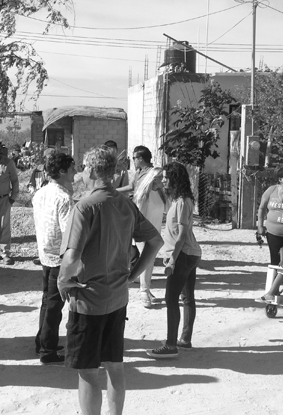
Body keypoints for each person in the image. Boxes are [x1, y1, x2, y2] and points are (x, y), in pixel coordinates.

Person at [58, 145, 164, 415]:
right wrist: (133, 275)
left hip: (88, 301)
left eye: (83, 168)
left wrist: (62, 281)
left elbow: (70, 259)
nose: (81, 172)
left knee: (88, 371)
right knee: (114, 366)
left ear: (92, 170)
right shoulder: (125, 204)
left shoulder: (84, 206)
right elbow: (155, 241)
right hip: (117, 299)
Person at [147, 162, 202, 359]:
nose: (163, 180)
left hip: (183, 255)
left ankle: (171, 345)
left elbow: (181, 235)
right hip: (189, 253)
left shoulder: (182, 202)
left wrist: (172, 260)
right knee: (187, 298)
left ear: (175, 179)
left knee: (171, 299)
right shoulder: (179, 199)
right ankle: (184, 339)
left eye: (166, 178)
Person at [32, 152, 76, 365]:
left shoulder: (40, 193)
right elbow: (68, 233)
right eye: (71, 168)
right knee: (54, 306)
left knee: (47, 302)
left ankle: (42, 341)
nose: (74, 172)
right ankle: (47, 350)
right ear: (61, 171)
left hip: (44, 254)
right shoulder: (64, 198)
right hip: (58, 258)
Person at [128, 146, 166, 308]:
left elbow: (158, 188)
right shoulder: (139, 174)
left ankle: (145, 289)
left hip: (151, 213)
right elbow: (133, 189)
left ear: (141, 158)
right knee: (147, 254)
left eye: (134, 158)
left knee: (149, 254)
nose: (133, 160)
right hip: (145, 214)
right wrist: (113, 192)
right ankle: (144, 290)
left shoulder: (154, 172)